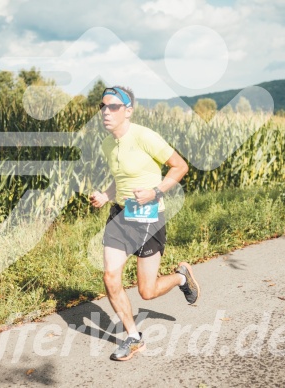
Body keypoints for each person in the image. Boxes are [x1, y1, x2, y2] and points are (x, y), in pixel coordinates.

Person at [89, 86, 200, 361]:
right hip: (119, 215)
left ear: (128, 111)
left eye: (113, 106)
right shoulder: (107, 143)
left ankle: (181, 277)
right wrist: (106, 195)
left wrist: (156, 192)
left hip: (148, 218)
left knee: (147, 291)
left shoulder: (144, 136)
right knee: (110, 277)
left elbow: (180, 166)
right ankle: (133, 337)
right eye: (102, 106)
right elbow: (121, 179)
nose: (106, 111)